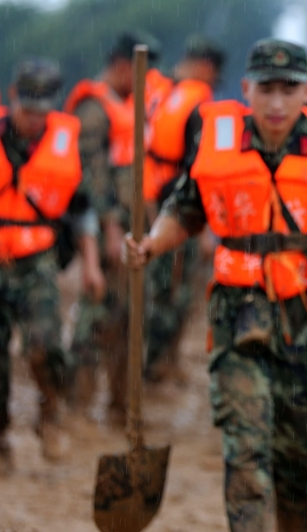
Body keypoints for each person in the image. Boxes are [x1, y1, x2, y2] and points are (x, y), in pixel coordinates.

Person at [123, 38, 307, 531]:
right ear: (246, 90)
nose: (277, 102)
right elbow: (185, 209)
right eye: (266, 89)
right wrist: (151, 244)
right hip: (237, 314)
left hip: (306, 317)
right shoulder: (217, 142)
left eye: (288, 89)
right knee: (246, 449)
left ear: (306, 90)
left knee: (301, 463)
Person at [0, 58, 105, 471]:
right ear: (12, 99)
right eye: (27, 111)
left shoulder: (65, 142)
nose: (34, 121)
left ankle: (49, 413)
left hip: (37, 260)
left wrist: (92, 266)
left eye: (42, 112)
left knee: (45, 345)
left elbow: (83, 212)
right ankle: (1, 434)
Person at [63, 30, 161, 423]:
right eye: (143, 69)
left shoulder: (131, 104)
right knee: (99, 316)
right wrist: (106, 229)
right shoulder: (94, 108)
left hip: (137, 227)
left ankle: (121, 405)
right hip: (110, 229)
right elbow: (92, 178)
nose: (148, 77)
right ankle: (79, 401)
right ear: (124, 66)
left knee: (133, 316)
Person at [142, 35, 226, 383]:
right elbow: (200, 170)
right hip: (177, 208)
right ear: (207, 67)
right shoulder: (198, 104)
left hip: (148, 198)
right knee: (175, 294)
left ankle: (157, 365)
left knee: (160, 292)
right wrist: (207, 231)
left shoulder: (159, 89)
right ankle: (155, 369)